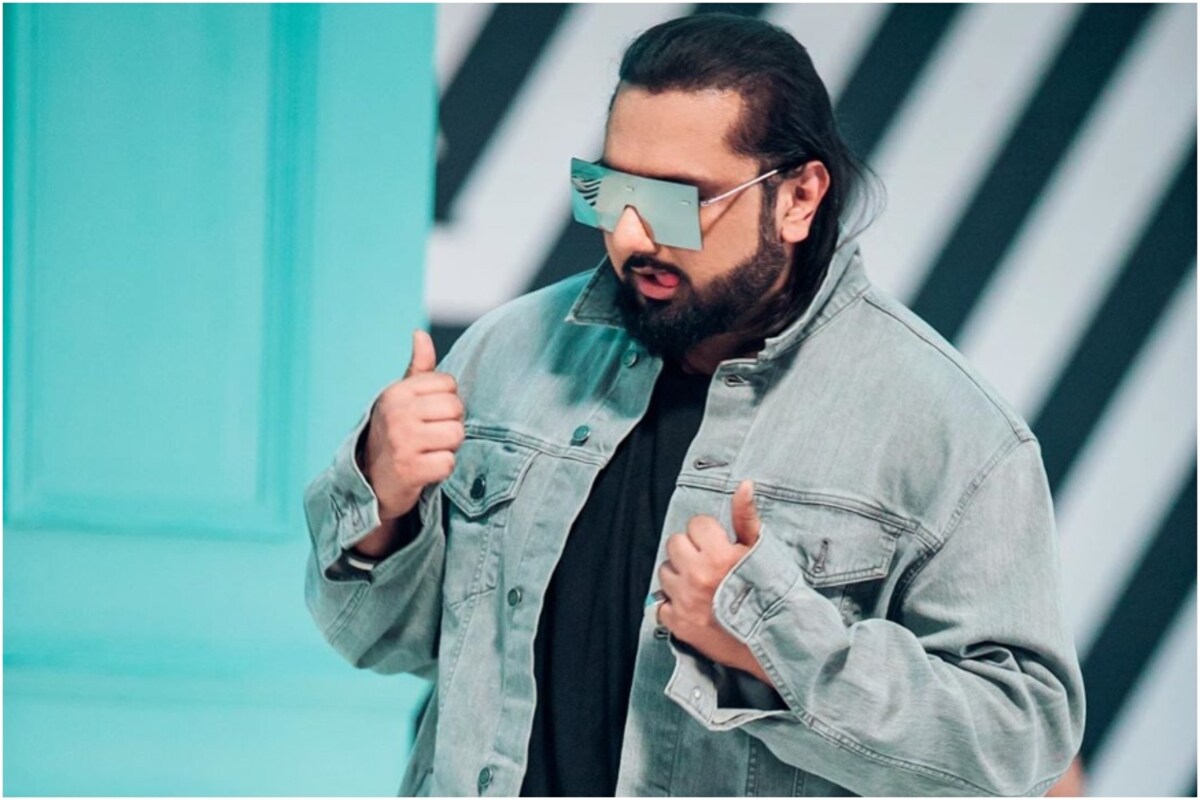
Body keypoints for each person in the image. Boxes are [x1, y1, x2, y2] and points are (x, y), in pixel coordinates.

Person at [304, 13, 1085, 796]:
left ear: (799, 198)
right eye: (611, 190)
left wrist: (771, 645)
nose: (632, 236)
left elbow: (1021, 746)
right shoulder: (508, 352)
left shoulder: (951, 430)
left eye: (677, 200)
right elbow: (388, 642)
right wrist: (382, 503)